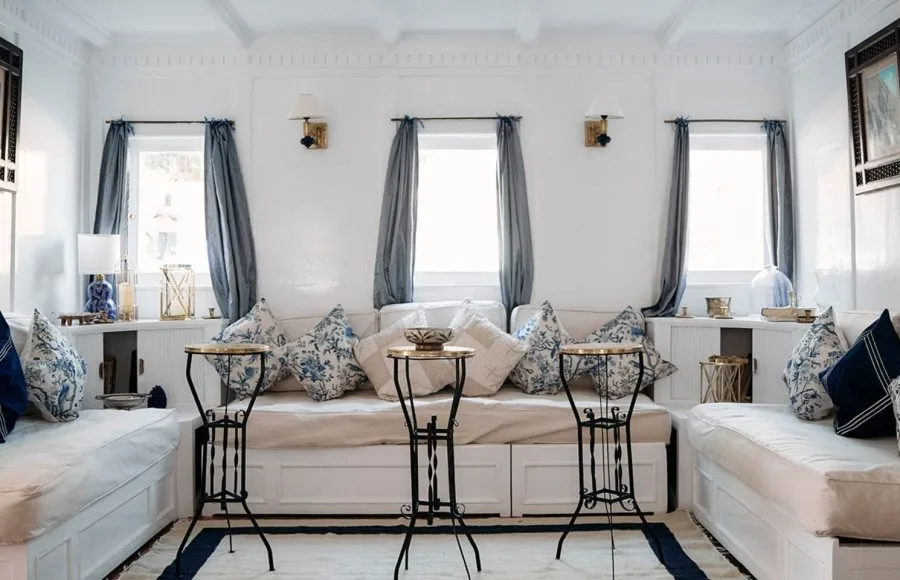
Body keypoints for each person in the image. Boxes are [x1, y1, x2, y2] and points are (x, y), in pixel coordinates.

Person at [154, 194, 178, 259]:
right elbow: (155, 216)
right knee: (162, 241)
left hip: (170, 228)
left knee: (168, 241)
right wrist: (160, 214)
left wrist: (171, 217)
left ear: (170, 200)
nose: (167, 200)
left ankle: (168, 254)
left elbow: (176, 218)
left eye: (169, 199)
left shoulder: (173, 208)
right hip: (161, 227)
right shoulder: (161, 206)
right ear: (165, 199)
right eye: (166, 199)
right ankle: (161, 255)